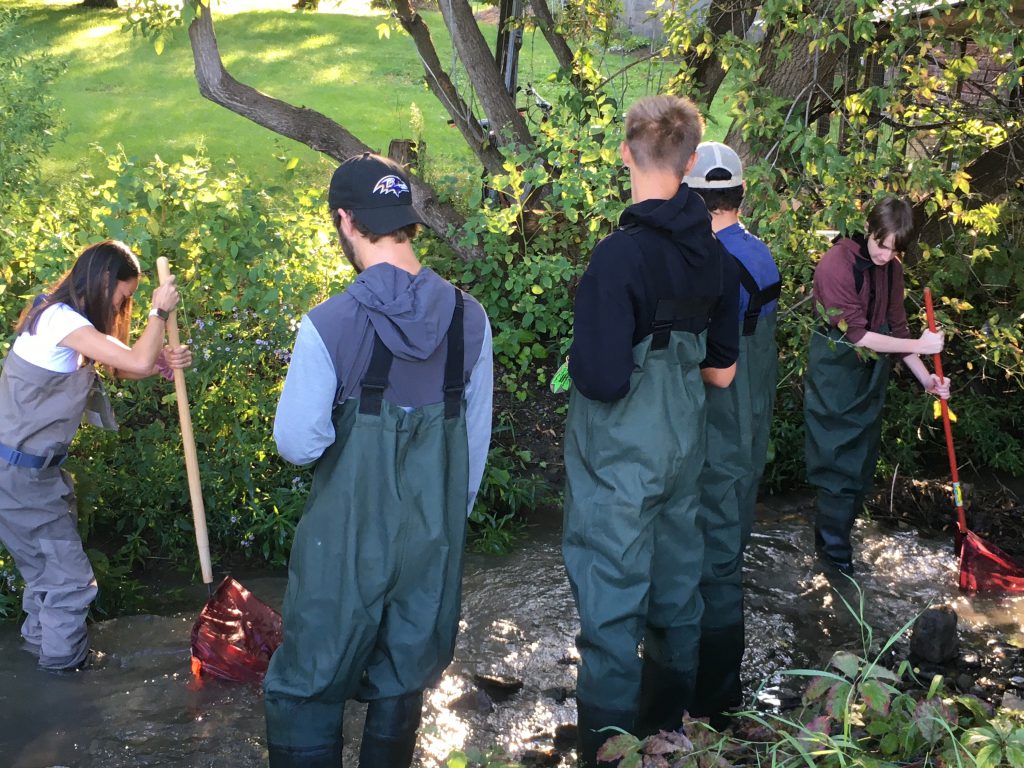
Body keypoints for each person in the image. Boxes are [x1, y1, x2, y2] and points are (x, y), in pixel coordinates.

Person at [263, 153, 493, 768]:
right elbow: (471, 452)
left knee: (308, 685)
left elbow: (298, 444)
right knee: (403, 674)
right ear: (406, 223)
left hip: (344, 544)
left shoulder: (327, 325)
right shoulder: (472, 320)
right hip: (431, 541)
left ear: (346, 221)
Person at [562, 96, 740, 764]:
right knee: (676, 594)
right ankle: (670, 735)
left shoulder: (617, 260)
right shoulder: (715, 261)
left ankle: (607, 751)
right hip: (682, 456)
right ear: (692, 163)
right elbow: (720, 375)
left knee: (611, 613)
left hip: (619, 466)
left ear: (624, 155)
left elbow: (603, 381)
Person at [0, 240, 190, 672]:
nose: (127, 304)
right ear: (105, 280)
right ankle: (63, 681)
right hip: (21, 479)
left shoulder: (60, 316)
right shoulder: (58, 320)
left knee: (45, 581)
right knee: (68, 584)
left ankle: (42, 665)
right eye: (126, 295)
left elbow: (127, 364)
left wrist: (159, 360)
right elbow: (134, 362)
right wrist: (158, 313)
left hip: (26, 475)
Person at [683, 141, 781, 729]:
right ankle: (724, 697)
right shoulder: (761, 254)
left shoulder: (709, 267)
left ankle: (709, 699)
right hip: (749, 435)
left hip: (717, 433)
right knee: (729, 548)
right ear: (740, 194)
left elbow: (713, 363)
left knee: (711, 561)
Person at [804, 196, 950, 575]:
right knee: (836, 463)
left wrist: (927, 379)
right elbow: (858, 336)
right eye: (881, 246)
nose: (886, 256)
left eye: (895, 250)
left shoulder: (892, 269)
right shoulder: (837, 265)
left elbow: (896, 331)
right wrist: (920, 345)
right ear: (870, 230)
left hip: (869, 380)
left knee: (861, 465)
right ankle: (835, 564)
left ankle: (837, 549)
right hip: (835, 377)